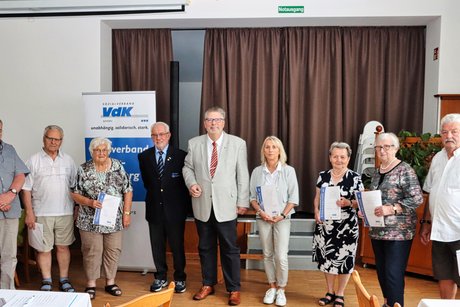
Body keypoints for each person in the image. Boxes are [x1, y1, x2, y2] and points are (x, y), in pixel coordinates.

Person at [182, 106, 249, 306]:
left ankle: (233, 289)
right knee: (205, 247)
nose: (213, 123)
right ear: (204, 123)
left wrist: (242, 201)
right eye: (209, 120)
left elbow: (242, 174)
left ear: (223, 122)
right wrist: (191, 183)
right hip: (202, 205)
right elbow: (188, 167)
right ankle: (208, 284)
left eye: (217, 120)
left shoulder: (237, 144)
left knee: (230, 248)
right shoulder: (194, 143)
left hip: (227, 205)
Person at [71, 137, 133, 300]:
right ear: (91, 152)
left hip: (114, 219)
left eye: (104, 150)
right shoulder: (83, 169)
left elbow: (128, 190)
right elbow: (74, 194)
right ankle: (91, 283)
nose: (101, 153)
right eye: (97, 150)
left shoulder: (118, 166)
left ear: (109, 151)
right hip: (88, 220)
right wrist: (89, 202)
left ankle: (110, 282)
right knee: (92, 251)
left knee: (113, 250)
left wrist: (126, 214)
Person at [369, 132, 423, 307]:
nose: (382, 150)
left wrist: (392, 208)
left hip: (398, 233)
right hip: (378, 231)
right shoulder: (378, 172)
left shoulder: (405, 169)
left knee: (393, 273)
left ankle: (396, 304)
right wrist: (367, 210)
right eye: (379, 147)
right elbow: (376, 198)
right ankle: (387, 303)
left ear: (396, 148)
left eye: (387, 146)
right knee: (382, 272)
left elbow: (417, 199)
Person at [22, 125, 77, 292]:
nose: (53, 142)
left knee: (63, 247)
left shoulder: (68, 160)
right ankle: (46, 280)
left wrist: (76, 210)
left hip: (65, 212)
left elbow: (75, 187)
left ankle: (64, 279)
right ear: (44, 139)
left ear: (61, 141)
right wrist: (29, 213)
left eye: (57, 139)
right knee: (43, 249)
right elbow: (26, 189)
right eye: (50, 138)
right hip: (41, 213)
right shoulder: (33, 160)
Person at [138, 122, 191, 294]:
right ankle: (160, 276)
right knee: (157, 246)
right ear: (151, 137)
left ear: (168, 135)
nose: (158, 138)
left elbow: (184, 184)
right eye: (154, 135)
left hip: (175, 210)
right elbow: (148, 183)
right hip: (154, 209)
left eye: (161, 134)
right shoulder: (144, 156)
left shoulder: (181, 155)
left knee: (177, 246)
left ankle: (180, 278)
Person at [312, 142, 364, 307]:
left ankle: (340, 294)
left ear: (348, 158)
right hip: (326, 225)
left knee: (345, 259)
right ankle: (329, 291)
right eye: (335, 156)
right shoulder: (323, 176)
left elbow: (361, 201)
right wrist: (315, 211)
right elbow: (317, 197)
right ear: (330, 158)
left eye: (342, 157)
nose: (339, 160)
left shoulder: (355, 177)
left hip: (347, 227)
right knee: (328, 258)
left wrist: (348, 202)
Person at [249, 136, 299, 307]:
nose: (270, 150)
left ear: (280, 151)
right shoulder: (257, 171)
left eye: (274, 147)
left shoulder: (288, 171)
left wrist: (283, 215)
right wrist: (261, 213)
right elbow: (252, 198)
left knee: (281, 255)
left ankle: (282, 289)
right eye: (267, 147)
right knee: (268, 254)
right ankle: (272, 287)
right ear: (263, 150)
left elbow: (293, 198)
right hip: (263, 218)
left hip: (282, 219)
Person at [420, 113, 460, 299]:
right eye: (444, 132)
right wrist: (426, 223)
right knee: (444, 276)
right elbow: (430, 192)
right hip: (440, 231)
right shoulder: (437, 158)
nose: (449, 136)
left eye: (454, 131)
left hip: (458, 230)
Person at [0, 119, 29, 289]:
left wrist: (10, 195)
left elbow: (20, 175)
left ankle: (6, 294)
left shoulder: (10, 150)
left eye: (0, 129)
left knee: (9, 256)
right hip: (4, 206)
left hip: (10, 212)